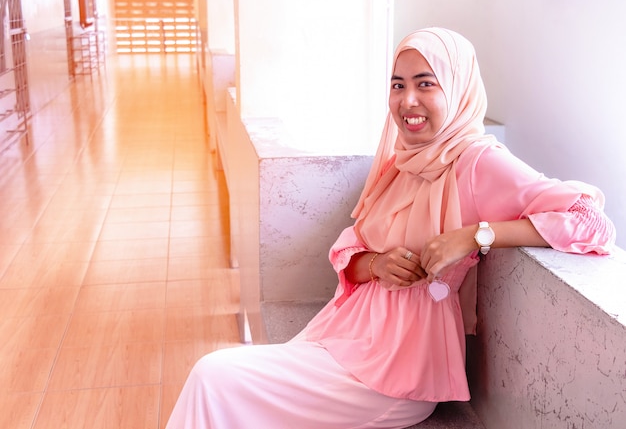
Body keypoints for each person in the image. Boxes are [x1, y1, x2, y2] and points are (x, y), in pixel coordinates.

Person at [165, 27, 615, 429]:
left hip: (395, 373)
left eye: (426, 84)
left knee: (214, 376)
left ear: (457, 91)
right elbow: (350, 248)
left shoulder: (478, 162)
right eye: (398, 86)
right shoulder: (404, 159)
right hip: (345, 339)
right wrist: (375, 264)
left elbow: (590, 220)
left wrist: (477, 234)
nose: (407, 101)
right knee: (222, 387)